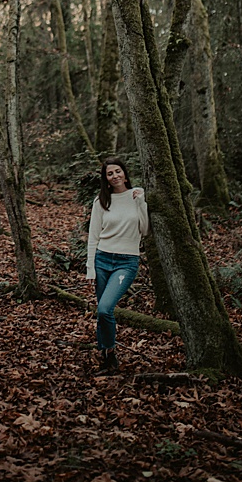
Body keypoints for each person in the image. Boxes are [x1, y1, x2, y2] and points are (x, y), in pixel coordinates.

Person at [86, 157, 149, 375]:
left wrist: (141, 203)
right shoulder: (101, 201)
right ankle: (105, 355)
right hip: (102, 259)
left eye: (118, 171)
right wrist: (90, 268)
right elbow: (93, 236)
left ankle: (110, 352)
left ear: (125, 173)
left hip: (126, 262)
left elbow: (145, 230)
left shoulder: (137, 195)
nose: (115, 176)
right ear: (106, 178)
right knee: (102, 311)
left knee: (105, 308)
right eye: (110, 173)